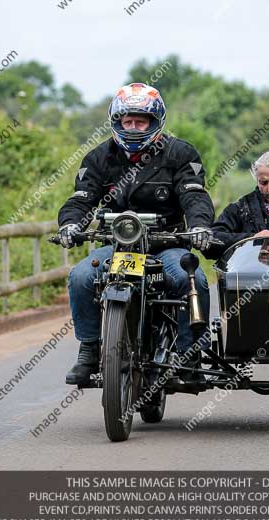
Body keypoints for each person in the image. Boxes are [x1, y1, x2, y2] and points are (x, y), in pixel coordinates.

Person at [57, 82, 214, 386]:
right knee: (80, 277)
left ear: (155, 123)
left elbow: (195, 195)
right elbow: (82, 198)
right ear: (116, 122)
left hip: (166, 243)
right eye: (126, 121)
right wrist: (71, 224)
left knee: (190, 279)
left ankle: (189, 353)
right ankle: (89, 349)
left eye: (140, 121)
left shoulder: (180, 153)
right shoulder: (98, 157)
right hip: (118, 246)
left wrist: (199, 227)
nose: (132, 127)